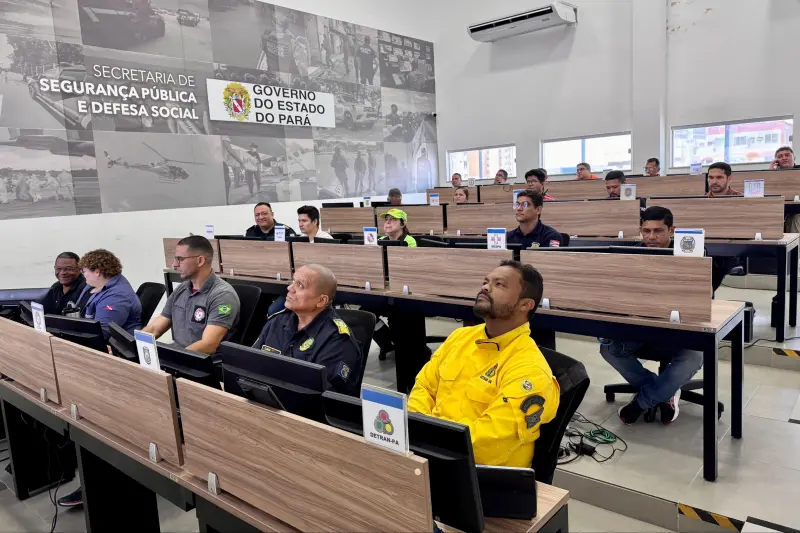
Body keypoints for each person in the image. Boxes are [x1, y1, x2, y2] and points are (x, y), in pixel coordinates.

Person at [409, 260, 560, 467]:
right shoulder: (460, 337)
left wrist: (423, 438)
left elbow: (487, 444)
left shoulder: (530, 370)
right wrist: (416, 431)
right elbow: (424, 387)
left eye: (499, 284)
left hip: (479, 475)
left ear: (525, 304)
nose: (485, 287)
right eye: (485, 281)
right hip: (429, 454)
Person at [599, 206, 702, 425]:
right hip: (641, 330)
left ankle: (642, 402)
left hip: (679, 332)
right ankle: (665, 389)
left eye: (658, 231)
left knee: (694, 356)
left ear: (672, 230)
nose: (651, 237)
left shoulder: (691, 254)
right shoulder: (631, 256)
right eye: (646, 231)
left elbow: (703, 296)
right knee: (608, 348)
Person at [252, 264, 361, 395]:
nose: (290, 288)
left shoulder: (338, 341)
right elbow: (251, 364)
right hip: (266, 398)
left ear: (321, 300)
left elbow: (322, 396)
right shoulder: (277, 321)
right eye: (293, 281)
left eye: (300, 285)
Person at [143, 236, 241, 353]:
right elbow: (154, 329)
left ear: (200, 261)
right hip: (179, 353)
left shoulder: (223, 296)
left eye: (180, 259)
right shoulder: (182, 289)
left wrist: (172, 357)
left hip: (201, 360)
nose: (174, 264)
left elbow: (208, 345)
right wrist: (135, 345)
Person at [77, 249, 142, 340]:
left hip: (111, 344)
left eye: (84, 271)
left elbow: (101, 333)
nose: (83, 274)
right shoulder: (94, 285)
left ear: (97, 272)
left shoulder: (117, 296)